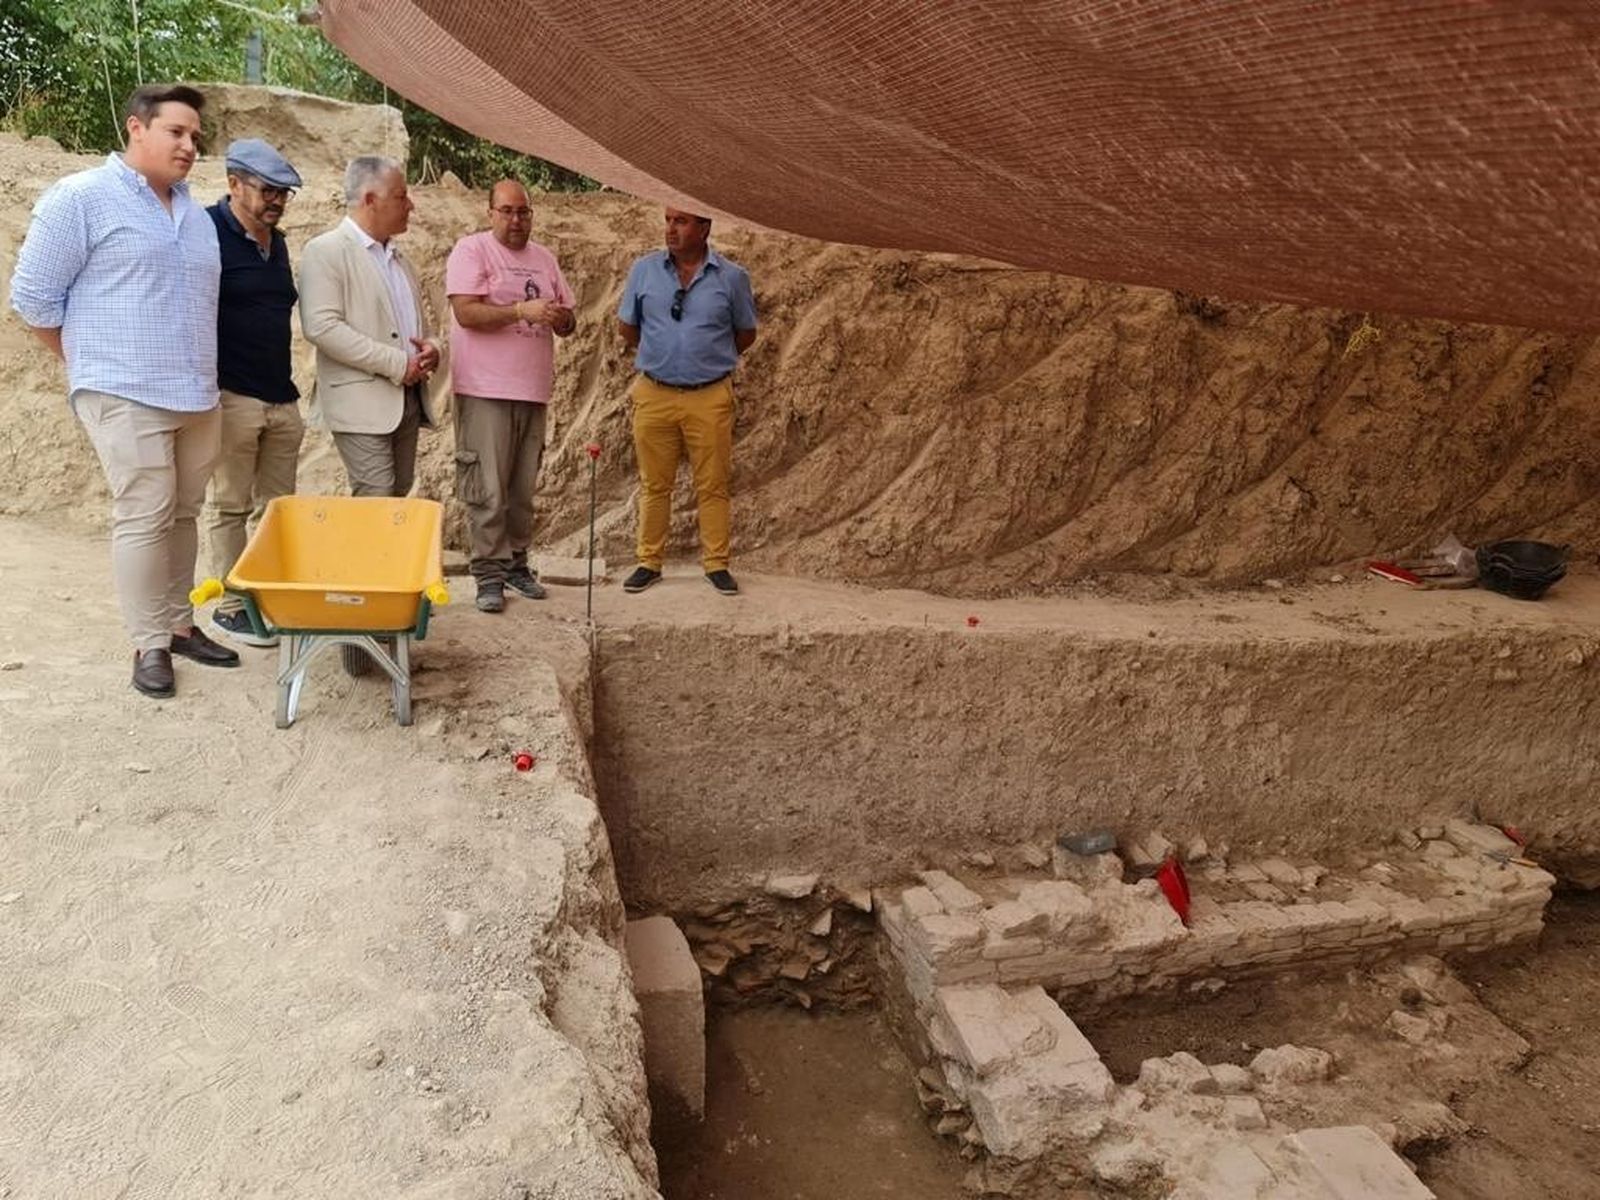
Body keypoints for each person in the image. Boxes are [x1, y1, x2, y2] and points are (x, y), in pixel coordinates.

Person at [8, 83, 239, 699]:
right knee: (146, 511)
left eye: (196, 136)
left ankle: (181, 624)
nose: (189, 146)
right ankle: (149, 642)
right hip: (121, 389)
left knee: (185, 512)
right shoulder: (82, 197)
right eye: (176, 132)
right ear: (137, 129)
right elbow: (31, 299)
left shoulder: (195, 214)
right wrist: (88, 363)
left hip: (196, 391)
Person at [445, 180, 576, 613]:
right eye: (507, 211)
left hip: (531, 389)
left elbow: (569, 318)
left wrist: (559, 318)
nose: (516, 220)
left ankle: (518, 565)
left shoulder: (545, 258)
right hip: (485, 388)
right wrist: (520, 310)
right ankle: (488, 574)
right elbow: (466, 312)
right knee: (487, 487)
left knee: (521, 489)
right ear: (490, 213)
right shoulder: (472, 250)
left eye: (523, 212)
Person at [617, 208, 758, 595]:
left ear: (705, 227)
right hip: (654, 391)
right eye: (668, 220)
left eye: (680, 221)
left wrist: (706, 358)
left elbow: (746, 333)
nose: (670, 229)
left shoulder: (731, 278)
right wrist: (664, 354)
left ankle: (716, 564)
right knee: (654, 483)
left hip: (709, 395)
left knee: (712, 484)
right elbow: (627, 327)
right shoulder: (643, 271)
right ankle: (649, 561)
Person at [204, 138, 304, 649]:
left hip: (281, 399)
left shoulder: (278, 243)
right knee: (230, 505)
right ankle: (230, 605)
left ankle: (265, 597)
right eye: (268, 190)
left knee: (278, 508)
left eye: (284, 193)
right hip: (233, 396)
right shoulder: (205, 232)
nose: (277, 201)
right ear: (234, 183)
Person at [298, 155, 441, 497]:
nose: (410, 205)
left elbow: (420, 326)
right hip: (360, 403)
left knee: (397, 495)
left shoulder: (399, 258)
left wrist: (433, 349)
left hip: (406, 400)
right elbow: (322, 327)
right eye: (401, 196)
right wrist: (397, 363)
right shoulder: (326, 251)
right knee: (376, 498)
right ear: (369, 200)